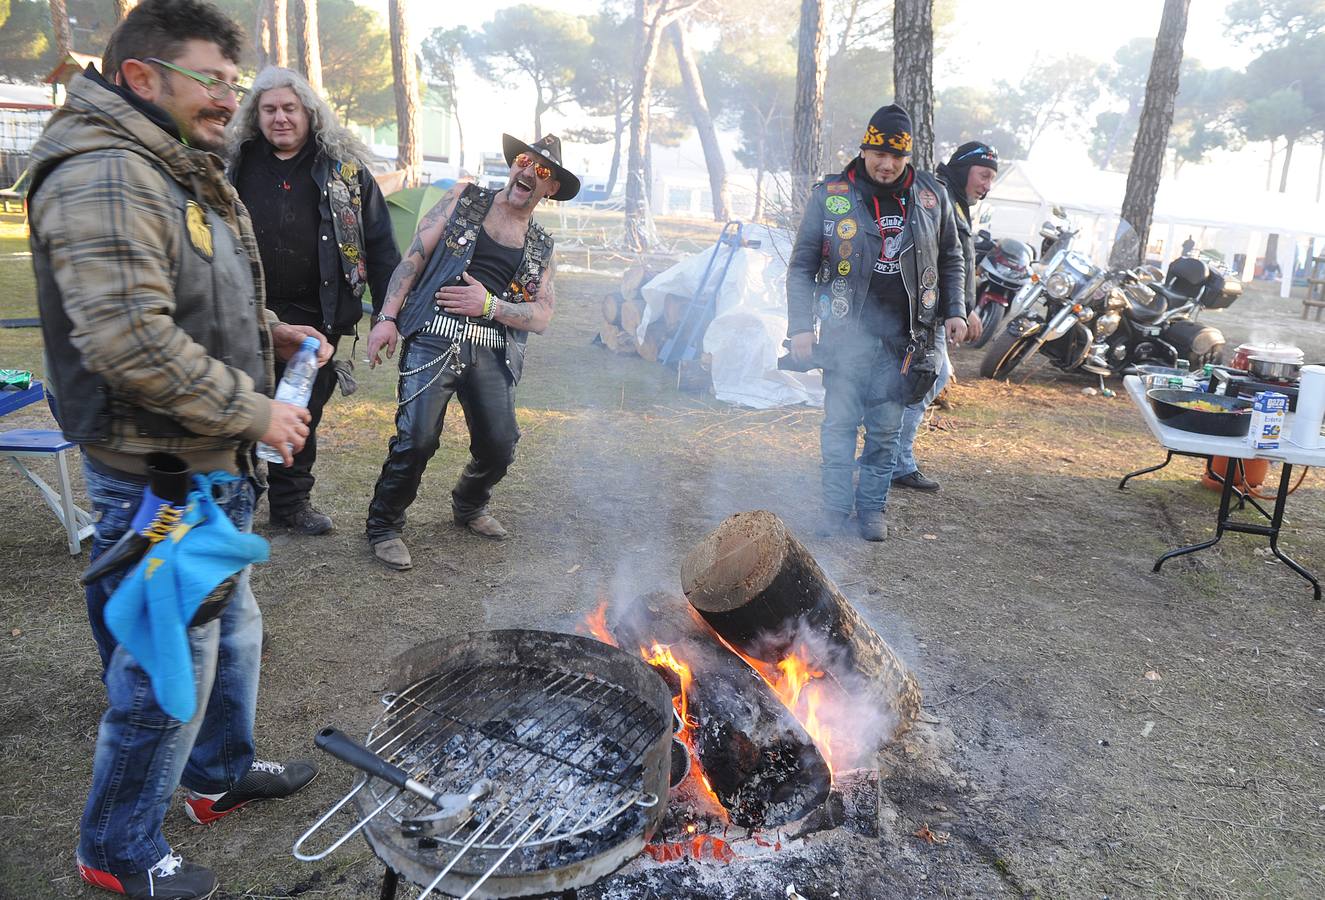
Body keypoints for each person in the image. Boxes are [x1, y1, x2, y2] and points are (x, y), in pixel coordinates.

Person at [28, 2, 325, 896]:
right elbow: (130, 341)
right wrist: (254, 410)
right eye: (214, 81)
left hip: (203, 467)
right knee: (168, 662)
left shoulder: (166, 165)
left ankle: (216, 774)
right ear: (141, 77)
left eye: (234, 85)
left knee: (231, 631)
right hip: (162, 474)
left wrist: (266, 331)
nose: (228, 101)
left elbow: (189, 285)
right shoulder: (107, 170)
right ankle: (116, 848)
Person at [363, 133, 577, 570]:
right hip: (434, 336)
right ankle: (384, 525)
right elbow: (415, 255)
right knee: (417, 439)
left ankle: (469, 504)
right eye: (523, 161)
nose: (527, 172)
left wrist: (491, 306)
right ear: (512, 164)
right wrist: (386, 318)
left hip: (492, 350)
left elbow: (543, 315)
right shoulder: (464, 198)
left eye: (542, 171)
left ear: (550, 189)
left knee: (500, 445)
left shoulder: (541, 245)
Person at [229, 67, 400, 535]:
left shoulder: (346, 171)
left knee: (300, 412)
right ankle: (234, 500)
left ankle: (290, 504)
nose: (280, 118)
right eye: (269, 110)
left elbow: (383, 247)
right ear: (255, 115)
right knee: (235, 405)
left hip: (317, 314)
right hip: (242, 309)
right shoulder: (234, 163)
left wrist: (388, 315)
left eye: (289, 108)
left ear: (309, 112)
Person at [786, 103, 966, 541]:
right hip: (846, 336)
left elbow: (951, 258)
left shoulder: (932, 196)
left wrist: (956, 309)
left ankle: (871, 512)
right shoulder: (831, 195)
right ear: (865, 149)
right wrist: (800, 326)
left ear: (909, 157)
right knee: (840, 428)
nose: (886, 165)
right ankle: (833, 511)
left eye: (897, 157)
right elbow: (802, 265)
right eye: (878, 154)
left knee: (886, 432)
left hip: (907, 341)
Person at [890, 140, 999, 493]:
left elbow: (959, 261)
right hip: (926, 311)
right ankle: (894, 460)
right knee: (923, 381)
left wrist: (963, 308)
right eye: (983, 175)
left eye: (991, 178)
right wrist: (957, 310)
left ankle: (890, 454)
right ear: (964, 169)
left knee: (931, 380)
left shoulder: (956, 202)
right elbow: (940, 260)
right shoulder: (936, 198)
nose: (986, 184)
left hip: (940, 310)